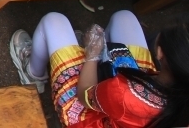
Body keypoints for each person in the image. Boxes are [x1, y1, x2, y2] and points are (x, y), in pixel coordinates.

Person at [10, 11, 189, 127]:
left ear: (160, 53)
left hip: (93, 113)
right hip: (134, 99)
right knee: (124, 18)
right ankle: (104, 52)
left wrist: (92, 54)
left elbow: (85, 94)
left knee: (54, 20)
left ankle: (34, 74)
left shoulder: (124, 92)